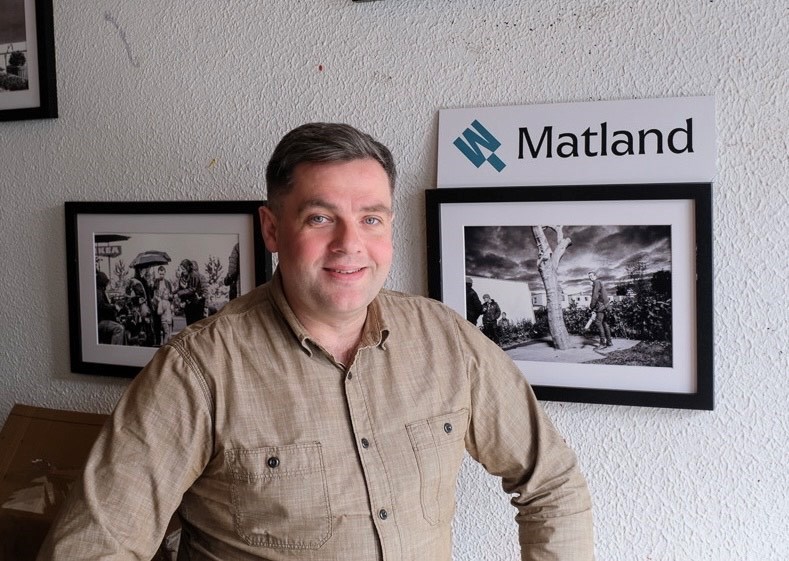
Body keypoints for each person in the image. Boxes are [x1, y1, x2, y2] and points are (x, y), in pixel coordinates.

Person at [39, 123, 594, 561]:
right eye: (321, 218)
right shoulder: (197, 371)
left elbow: (552, 483)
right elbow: (94, 546)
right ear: (272, 229)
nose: (350, 244)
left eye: (371, 219)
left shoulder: (447, 340)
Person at [96, 270, 125, 345]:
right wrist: (114, 306)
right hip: (99, 321)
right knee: (119, 329)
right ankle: (115, 349)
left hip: (100, 320)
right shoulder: (98, 292)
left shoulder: (99, 291)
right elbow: (101, 306)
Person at [175, 258, 206, 325]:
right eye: (182, 269)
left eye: (183, 269)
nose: (182, 271)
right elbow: (181, 289)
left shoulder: (195, 275)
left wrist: (179, 293)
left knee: (197, 324)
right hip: (188, 305)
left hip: (197, 304)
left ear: (188, 268)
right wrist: (180, 298)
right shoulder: (183, 277)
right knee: (189, 324)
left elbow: (193, 289)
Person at [588, 271, 613, 350]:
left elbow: (595, 296)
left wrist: (591, 306)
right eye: (589, 276)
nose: (590, 277)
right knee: (605, 323)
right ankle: (609, 342)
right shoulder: (598, 283)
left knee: (598, 323)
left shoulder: (596, 282)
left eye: (591, 276)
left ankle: (602, 344)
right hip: (606, 305)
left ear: (595, 276)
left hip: (601, 306)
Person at [151, 265, 174, 345]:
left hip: (166, 307)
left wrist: (171, 303)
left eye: (163, 274)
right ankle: (158, 342)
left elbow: (171, 295)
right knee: (157, 325)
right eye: (160, 274)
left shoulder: (167, 283)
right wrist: (156, 299)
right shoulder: (155, 282)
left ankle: (166, 342)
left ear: (165, 273)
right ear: (158, 273)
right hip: (157, 306)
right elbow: (152, 293)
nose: (161, 275)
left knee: (167, 325)